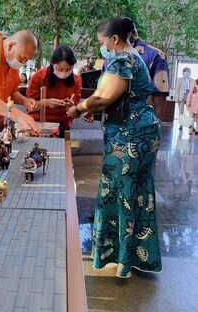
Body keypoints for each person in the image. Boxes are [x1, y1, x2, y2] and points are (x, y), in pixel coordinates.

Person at [67, 16, 162, 278]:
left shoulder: (123, 60)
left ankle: (122, 259)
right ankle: (135, 256)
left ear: (115, 39)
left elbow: (103, 97)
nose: (103, 47)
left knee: (120, 192)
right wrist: (97, 111)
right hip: (139, 132)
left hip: (130, 138)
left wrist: (79, 108)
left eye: (102, 42)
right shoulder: (132, 58)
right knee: (135, 192)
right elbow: (120, 98)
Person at [0, 30, 39, 132]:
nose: (23, 62)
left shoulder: (13, 62)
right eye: (22, 57)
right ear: (11, 46)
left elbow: (12, 91)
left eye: (27, 60)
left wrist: (24, 101)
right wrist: (17, 115)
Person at [26, 45, 81, 138]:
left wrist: (72, 107)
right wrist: (46, 103)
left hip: (62, 125)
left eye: (68, 69)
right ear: (52, 63)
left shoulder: (76, 80)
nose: (64, 72)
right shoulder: (39, 77)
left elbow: (76, 113)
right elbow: (29, 107)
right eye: (60, 69)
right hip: (38, 124)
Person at [129, 27, 170, 120]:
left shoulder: (155, 55)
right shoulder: (112, 54)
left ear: (132, 33)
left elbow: (160, 92)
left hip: (141, 118)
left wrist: (156, 123)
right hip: (113, 121)